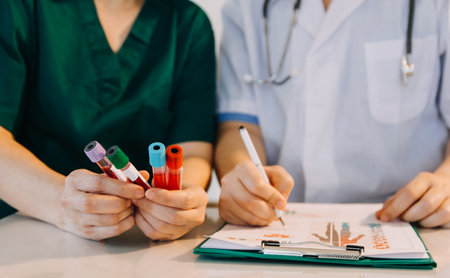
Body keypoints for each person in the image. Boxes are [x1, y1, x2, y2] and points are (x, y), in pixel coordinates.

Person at [215, 0, 450, 228]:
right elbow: (238, 124)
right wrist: (244, 183)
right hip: (279, 219)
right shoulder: (245, 8)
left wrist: (446, 180)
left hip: (413, 218)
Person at [0, 0, 216, 241]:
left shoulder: (187, 23)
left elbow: (193, 149)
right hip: (26, 231)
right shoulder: (19, 7)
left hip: (140, 245)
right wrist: (64, 204)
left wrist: (177, 205)